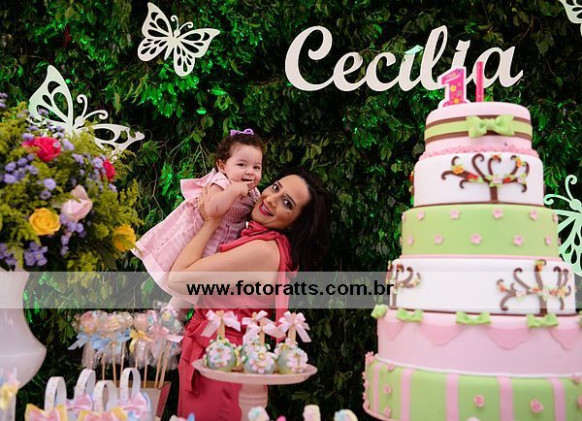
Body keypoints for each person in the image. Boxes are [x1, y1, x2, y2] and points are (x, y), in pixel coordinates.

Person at [167, 168, 331, 420]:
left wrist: (212, 220)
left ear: (295, 223)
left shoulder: (263, 252)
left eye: (287, 203)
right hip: (218, 358)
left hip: (224, 367)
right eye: (275, 188)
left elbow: (178, 279)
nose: (271, 199)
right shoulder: (267, 243)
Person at [133, 129, 264, 297]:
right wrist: (233, 191)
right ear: (222, 166)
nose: (250, 172)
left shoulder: (253, 193)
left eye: (256, 167)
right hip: (199, 234)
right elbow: (212, 210)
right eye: (242, 165)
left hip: (223, 243)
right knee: (182, 274)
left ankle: (177, 312)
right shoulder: (221, 182)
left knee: (195, 285)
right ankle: (172, 310)